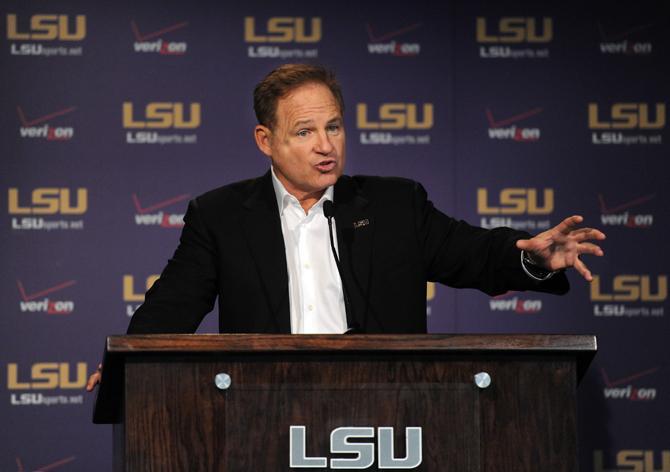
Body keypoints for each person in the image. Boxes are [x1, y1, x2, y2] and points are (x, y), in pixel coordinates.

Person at [86, 64, 605, 390]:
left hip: (389, 405)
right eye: (305, 131)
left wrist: (532, 257)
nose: (325, 145)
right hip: (265, 403)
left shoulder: (395, 204)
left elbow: (472, 252)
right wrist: (126, 367)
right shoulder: (220, 216)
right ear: (265, 140)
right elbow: (173, 304)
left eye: (333, 127)